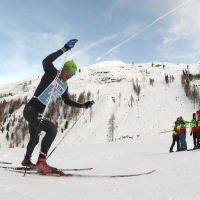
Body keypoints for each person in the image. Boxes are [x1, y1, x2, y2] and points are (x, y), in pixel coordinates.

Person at [21, 39, 94, 174]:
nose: (70, 76)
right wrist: (64, 49)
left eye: (73, 75)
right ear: (64, 69)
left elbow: (67, 101)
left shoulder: (64, 86)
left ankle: (26, 160)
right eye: (69, 72)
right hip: (31, 109)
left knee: (35, 137)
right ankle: (41, 162)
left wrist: (83, 105)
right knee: (52, 130)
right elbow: (46, 62)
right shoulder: (52, 74)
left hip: (39, 112)